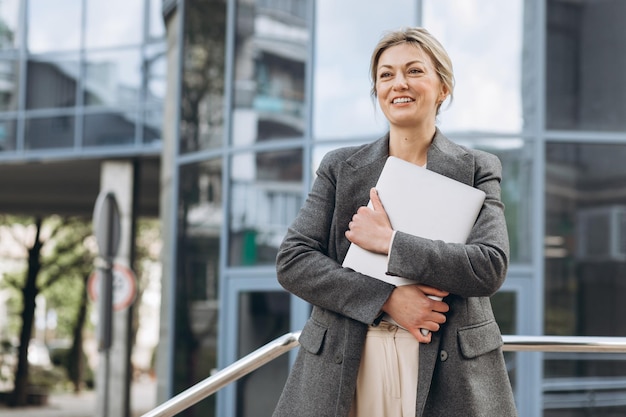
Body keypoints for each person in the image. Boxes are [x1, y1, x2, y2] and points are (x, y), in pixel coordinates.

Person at [272, 27, 518, 417]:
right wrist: (387, 300)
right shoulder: (340, 167)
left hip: (446, 369)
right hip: (350, 359)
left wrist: (391, 242)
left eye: (414, 71)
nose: (398, 83)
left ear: (442, 88)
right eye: (386, 75)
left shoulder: (477, 168)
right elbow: (294, 261)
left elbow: (488, 266)